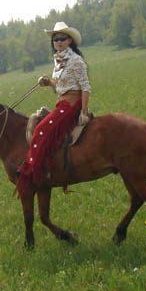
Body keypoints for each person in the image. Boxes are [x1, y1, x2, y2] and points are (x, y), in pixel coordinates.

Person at [16, 21, 91, 198]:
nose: (58, 41)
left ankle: (32, 171)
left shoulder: (76, 60)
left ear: (70, 40)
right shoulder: (58, 60)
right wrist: (48, 82)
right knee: (39, 125)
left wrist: (84, 112)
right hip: (61, 103)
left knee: (42, 130)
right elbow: (59, 87)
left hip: (72, 105)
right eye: (55, 39)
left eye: (62, 38)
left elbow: (86, 87)